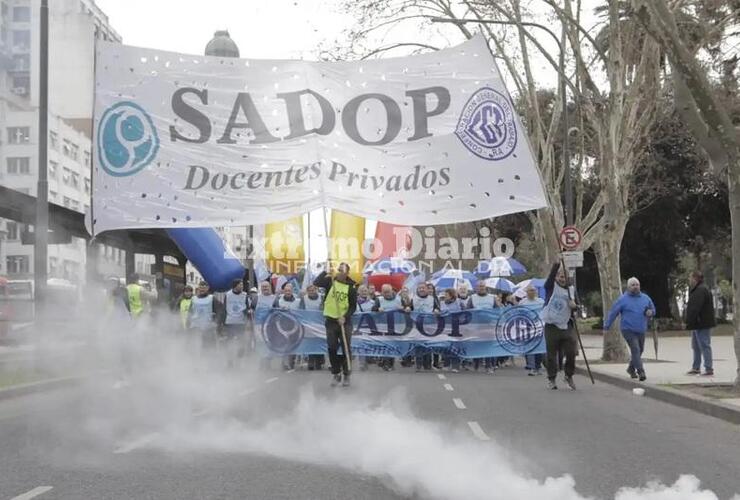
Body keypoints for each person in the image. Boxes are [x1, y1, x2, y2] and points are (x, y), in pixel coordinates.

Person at [314, 263, 358, 387]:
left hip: (344, 322)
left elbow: (353, 306)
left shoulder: (351, 288)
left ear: (347, 273)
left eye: (342, 271)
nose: (339, 272)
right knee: (332, 348)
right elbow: (316, 282)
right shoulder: (330, 282)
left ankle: (347, 374)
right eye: (338, 270)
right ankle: (336, 373)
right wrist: (325, 271)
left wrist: (345, 317)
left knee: (346, 348)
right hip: (331, 321)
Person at [603, 277, 656, 381]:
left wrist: (651, 312)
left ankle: (631, 368)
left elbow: (653, 309)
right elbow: (613, 312)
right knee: (635, 348)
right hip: (628, 329)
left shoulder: (646, 298)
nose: (635, 287)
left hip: (641, 329)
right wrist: (606, 326)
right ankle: (641, 371)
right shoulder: (623, 299)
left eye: (637, 285)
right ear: (628, 287)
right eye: (633, 285)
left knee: (640, 350)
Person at [542, 263, 578, 390]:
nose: (562, 279)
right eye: (560, 277)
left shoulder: (571, 290)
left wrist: (574, 306)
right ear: (556, 277)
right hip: (551, 326)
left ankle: (568, 375)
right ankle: (551, 378)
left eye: (565, 277)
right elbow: (551, 277)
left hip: (566, 325)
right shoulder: (550, 287)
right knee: (551, 355)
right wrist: (556, 264)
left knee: (571, 352)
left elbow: (576, 306)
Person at [685, 270, 716, 376]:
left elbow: (695, 308)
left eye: (690, 278)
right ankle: (696, 367)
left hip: (702, 322)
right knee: (696, 345)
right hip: (697, 323)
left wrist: (689, 321)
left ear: (695, 278)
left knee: (704, 344)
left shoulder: (700, 290)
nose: (689, 280)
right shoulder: (698, 289)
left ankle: (708, 368)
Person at [467, 281, 496, 374]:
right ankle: (476, 365)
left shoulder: (492, 298)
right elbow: (468, 311)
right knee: (477, 346)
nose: (481, 288)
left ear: (485, 287)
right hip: (477, 325)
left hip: (489, 325)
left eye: (483, 286)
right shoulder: (472, 298)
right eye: (479, 286)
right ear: (476, 288)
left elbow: (497, 310)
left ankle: (489, 366)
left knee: (488, 346)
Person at [220, 278, 249, 368]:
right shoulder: (228, 295)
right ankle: (230, 361)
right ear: (235, 286)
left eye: (242, 285)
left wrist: (248, 314)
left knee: (242, 343)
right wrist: (222, 322)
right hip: (230, 322)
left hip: (241, 322)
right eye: (240, 285)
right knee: (229, 343)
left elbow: (247, 308)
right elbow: (224, 308)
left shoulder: (245, 295)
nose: (242, 286)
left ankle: (239, 360)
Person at [373, 284, 403, 371]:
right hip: (383, 326)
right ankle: (386, 363)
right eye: (384, 292)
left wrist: (403, 308)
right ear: (382, 292)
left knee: (393, 344)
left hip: (396, 325)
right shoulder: (379, 299)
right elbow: (373, 309)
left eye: (388, 292)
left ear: (392, 291)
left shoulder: (399, 299)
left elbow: (407, 308)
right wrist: (377, 309)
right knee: (386, 344)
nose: (386, 294)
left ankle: (391, 363)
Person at [411, 282, 440, 371]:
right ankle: (418, 365)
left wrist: (436, 310)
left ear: (427, 289)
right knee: (418, 345)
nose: (421, 289)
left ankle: (427, 364)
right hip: (417, 325)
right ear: (417, 289)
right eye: (420, 288)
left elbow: (438, 308)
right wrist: (407, 308)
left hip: (429, 325)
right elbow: (409, 308)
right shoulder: (413, 299)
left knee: (428, 345)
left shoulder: (432, 299)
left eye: (423, 288)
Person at [519, 285, 545, 376]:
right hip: (528, 328)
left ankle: (538, 367)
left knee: (539, 349)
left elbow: (545, 312)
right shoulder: (523, 302)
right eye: (530, 291)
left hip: (539, 328)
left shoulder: (541, 301)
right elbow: (519, 314)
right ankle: (532, 367)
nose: (532, 292)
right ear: (526, 292)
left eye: (533, 290)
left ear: (536, 292)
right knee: (530, 348)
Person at [189, 281, 220, 351]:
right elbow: (190, 312)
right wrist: (189, 324)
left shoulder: (212, 298)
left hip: (208, 328)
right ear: (198, 288)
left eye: (204, 287)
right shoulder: (193, 299)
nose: (202, 289)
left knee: (209, 349)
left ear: (208, 288)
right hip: (195, 328)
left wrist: (216, 322)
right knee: (195, 349)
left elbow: (220, 311)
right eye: (201, 287)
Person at [301, 284, 326, 371]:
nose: (312, 292)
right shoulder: (304, 299)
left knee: (319, 340)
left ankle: (319, 360)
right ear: (307, 291)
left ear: (316, 290)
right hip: (309, 323)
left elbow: (324, 308)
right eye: (310, 290)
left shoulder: (322, 297)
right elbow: (301, 310)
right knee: (310, 341)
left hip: (319, 323)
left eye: (313, 290)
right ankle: (311, 361)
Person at [440, 288, 462, 373]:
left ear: (451, 295)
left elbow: (465, 312)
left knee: (455, 347)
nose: (445, 296)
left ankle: (455, 366)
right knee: (446, 346)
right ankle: (446, 364)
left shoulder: (458, 302)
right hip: (445, 328)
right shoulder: (442, 303)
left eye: (446, 295)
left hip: (456, 328)